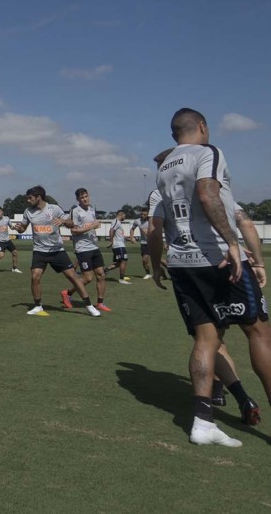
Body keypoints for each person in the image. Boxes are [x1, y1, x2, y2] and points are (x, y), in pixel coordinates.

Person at [148, 108, 271, 447]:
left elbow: (154, 229)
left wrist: (156, 262)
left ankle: (203, 423)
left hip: (181, 262)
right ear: (202, 126)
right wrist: (233, 244)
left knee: (206, 338)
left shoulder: (163, 172)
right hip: (216, 257)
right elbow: (207, 192)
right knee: (259, 332)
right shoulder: (208, 152)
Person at [13, 185, 100, 317]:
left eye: (30, 198)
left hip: (57, 250)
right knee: (35, 276)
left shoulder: (54, 208)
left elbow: (71, 223)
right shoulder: (28, 211)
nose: (28, 200)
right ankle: (37, 306)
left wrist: (63, 221)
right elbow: (22, 229)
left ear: (38, 197)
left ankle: (89, 306)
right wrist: (18, 228)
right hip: (39, 251)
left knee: (72, 276)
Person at [61, 188, 111, 312]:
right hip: (83, 248)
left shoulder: (92, 210)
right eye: (82, 197)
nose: (85, 199)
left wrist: (94, 227)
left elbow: (90, 226)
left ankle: (100, 303)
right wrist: (92, 227)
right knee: (88, 278)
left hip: (94, 247)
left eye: (86, 196)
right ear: (78, 199)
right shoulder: (75, 211)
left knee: (101, 275)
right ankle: (67, 293)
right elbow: (74, 231)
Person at [0, 208, 21, 273]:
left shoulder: (7, 218)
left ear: (2, 212)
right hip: (0, 241)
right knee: (1, 255)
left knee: (15, 253)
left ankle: (14, 268)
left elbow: (11, 227)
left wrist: (15, 228)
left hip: (7, 240)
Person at [104, 210, 131, 284]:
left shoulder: (118, 223)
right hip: (119, 246)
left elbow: (118, 235)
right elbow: (111, 230)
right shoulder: (116, 221)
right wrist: (111, 241)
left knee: (119, 263)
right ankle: (121, 279)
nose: (125, 217)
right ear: (121, 214)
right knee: (124, 261)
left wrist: (129, 239)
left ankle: (105, 270)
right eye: (124, 215)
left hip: (119, 245)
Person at [128, 208, 154, 279]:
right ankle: (148, 274)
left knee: (159, 260)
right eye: (141, 214)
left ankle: (169, 272)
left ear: (148, 214)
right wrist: (132, 237)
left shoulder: (152, 221)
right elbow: (132, 229)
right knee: (144, 259)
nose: (142, 215)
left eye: (144, 214)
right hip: (144, 243)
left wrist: (148, 233)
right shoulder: (137, 221)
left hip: (153, 243)